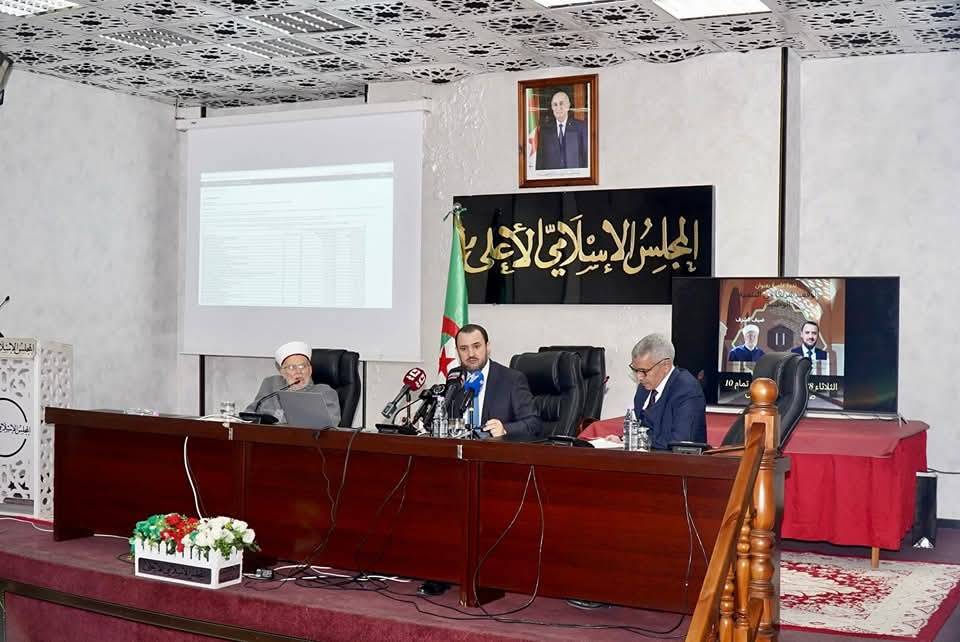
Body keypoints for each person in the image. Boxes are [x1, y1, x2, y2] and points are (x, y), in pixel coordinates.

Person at [453, 323, 542, 439]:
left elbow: (534, 423)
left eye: (476, 346)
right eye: (463, 349)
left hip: (495, 448)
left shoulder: (512, 379)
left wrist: (504, 429)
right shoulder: (455, 378)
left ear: (487, 347)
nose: (471, 354)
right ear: (457, 351)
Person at [629, 333, 707, 450]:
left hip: (678, 460)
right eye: (635, 370)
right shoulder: (644, 388)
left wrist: (637, 439)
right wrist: (623, 439)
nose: (639, 377)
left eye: (644, 371)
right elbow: (638, 428)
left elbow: (680, 443)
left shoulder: (687, 390)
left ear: (665, 365)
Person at [245, 341, 340, 425]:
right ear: (282, 372)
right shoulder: (271, 384)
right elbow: (249, 414)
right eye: (291, 367)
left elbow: (330, 424)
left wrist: (273, 417)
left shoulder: (324, 392)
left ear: (310, 370)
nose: (298, 372)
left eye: (302, 366)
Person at [535, 90, 589, 171]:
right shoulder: (545, 130)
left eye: (561, 103)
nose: (558, 108)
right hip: (552, 177)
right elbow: (540, 161)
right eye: (555, 105)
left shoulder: (581, 127)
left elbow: (586, 157)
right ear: (552, 107)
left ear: (568, 105)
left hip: (575, 176)